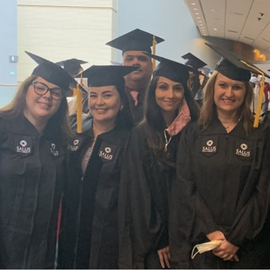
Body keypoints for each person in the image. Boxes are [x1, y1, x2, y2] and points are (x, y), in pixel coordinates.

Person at [170, 43, 270, 269]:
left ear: (246, 92)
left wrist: (235, 238)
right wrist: (213, 232)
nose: (229, 93)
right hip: (203, 240)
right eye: (223, 85)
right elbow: (185, 186)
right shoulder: (194, 133)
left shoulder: (259, 135)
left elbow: (263, 192)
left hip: (246, 247)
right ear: (213, 88)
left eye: (237, 87)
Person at [118, 54, 200, 269]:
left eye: (177, 88)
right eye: (163, 87)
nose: (169, 95)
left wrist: (178, 235)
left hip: (189, 234)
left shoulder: (194, 132)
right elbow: (138, 191)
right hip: (154, 239)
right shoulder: (141, 135)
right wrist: (161, 237)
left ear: (185, 93)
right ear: (154, 90)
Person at [57, 65, 137, 269]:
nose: (99, 102)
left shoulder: (131, 142)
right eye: (93, 95)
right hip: (71, 233)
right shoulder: (75, 136)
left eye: (107, 95)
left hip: (108, 239)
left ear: (121, 101)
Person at [0, 52, 75, 268]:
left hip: (40, 251)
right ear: (26, 89)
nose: (47, 96)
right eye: (40, 87)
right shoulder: (2, 127)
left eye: (56, 92)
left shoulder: (60, 142)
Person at [106, 28, 164, 124]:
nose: (136, 62)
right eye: (130, 59)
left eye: (142, 58)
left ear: (152, 65)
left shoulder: (160, 97)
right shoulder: (110, 96)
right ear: (122, 65)